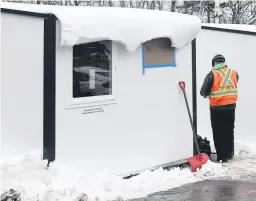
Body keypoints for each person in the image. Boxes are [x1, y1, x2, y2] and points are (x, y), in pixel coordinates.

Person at [200, 54, 239, 163]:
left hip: (217, 108)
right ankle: (229, 152)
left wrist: (205, 94)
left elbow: (203, 92)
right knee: (229, 129)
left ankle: (222, 156)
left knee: (218, 132)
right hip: (231, 106)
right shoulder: (234, 73)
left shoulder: (212, 74)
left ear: (214, 63)